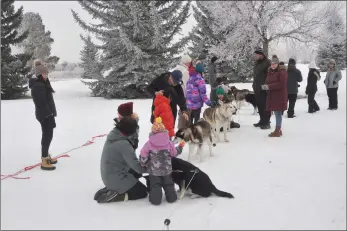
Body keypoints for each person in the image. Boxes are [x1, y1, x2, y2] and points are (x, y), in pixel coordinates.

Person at [96, 116, 148, 203]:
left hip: (109, 175)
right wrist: (154, 168)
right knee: (142, 192)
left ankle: (111, 188)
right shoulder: (124, 145)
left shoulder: (114, 135)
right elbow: (138, 168)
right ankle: (117, 195)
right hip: (116, 178)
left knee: (135, 174)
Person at [140, 117, 185, 205]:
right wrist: (180, 147)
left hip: (154, 171)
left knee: (155, 186)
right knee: (169, 185)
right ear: (164, 130)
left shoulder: (148, 144)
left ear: (153, 131)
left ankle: (155, 200)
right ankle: (172, 198)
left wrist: (143, 163)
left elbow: (143, 155)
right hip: (167, 170)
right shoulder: (169, 143)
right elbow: (174, 153)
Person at [28, 59, 57, 171]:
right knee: (47, 136)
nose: (46, 75)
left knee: (48, 135)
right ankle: (44, 159)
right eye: (44, 73)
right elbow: (42, 104)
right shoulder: (38, 86)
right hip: (45, 115)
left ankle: (46, 155)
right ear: (40, 74)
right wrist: (49, 115)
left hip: (46, 114)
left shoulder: (42, 83)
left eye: (47, 73)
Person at [261, 55, 287, 137]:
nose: (273, 65)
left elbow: (281, 84)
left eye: (274, 64)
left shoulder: (282, 72)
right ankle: (278, 130)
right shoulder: (270, 72)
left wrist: (269, 86)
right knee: (276, 113)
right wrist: (265, 86)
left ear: (278, 64)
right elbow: (268, 81)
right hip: (272, 96)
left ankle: (277, 130)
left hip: (279, 96)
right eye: (272, 64)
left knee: (278, 113)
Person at [252, 47, 271, 129]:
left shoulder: (267, 63)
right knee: (260, 105)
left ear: (261, 54)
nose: (255, 56)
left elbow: (269, 76)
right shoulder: (257, 63)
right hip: (257, 88)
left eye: (256, 55)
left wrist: (265, 87)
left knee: (265, 106)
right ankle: (262, 121)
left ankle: (267, 123)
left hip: (264, 89)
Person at [173, 55, 192, 130]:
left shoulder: (176, 69)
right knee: (185, 112)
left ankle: (181, 129)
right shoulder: (185, 72)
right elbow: (187, 85)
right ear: (187, 63)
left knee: (181, 112)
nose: (190, 64)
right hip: (184, 95)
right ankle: (183, 130)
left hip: (175, 94)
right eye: (189, 63)